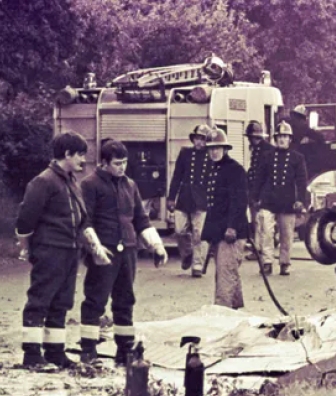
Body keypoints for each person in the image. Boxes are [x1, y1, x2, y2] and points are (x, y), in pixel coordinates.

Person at [16, 131, 106, 369]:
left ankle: (55, 352)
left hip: (70, 250)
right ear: (66, 154)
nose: (83, 161)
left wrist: (92, 246)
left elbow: (83, 218)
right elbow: (25, 220)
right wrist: (27, 249)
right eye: (80, 155)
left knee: (62, 301)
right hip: (50, 250)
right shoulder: (43, 181)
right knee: (40, 300)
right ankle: (32, 355)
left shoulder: (71, 181)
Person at [79, 140, 168, 367]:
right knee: (95, 301)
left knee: (125, 300)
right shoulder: (90, 185)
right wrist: (95, 249)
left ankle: (125, 350)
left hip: (128, 250)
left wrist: (156, 245)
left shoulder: (130, 185)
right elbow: (85, 221)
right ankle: (88, 351)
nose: (122, 167)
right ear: (104, 162)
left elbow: (141, 219)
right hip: (105, 250)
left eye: (125, 162)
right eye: (117, 163)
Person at [201, 128, 249, 308]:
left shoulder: (235, 170)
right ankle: (233, 307)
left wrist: (232, 227)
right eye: (211, 148)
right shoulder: (214, 169)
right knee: (227, 271)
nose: (214, 152)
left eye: (218, 148)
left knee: (225, 273)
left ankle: (223, 311)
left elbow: (239, 201)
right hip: (219, 230)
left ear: (225, 149)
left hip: (231, 231)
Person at [251, 121, 307, 276]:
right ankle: (267, 261)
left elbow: (302, 181)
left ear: (290, 139)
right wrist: (255, 197)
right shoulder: (267, 156)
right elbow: (259, 178)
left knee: (286, 234)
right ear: (275, 139)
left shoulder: (297, 158)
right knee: (266, 231)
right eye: (279, 137)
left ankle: (285, 262)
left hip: (287, 200)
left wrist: (301, 200)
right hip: (268, 199)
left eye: (285, 137)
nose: (282, 139)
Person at [167, 124, 211, 277]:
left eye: (203, 139)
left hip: (202, 200)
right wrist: (171, 197)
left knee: (200, 234)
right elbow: (177, 176)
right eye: (197, 138)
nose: (199, 142)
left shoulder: (211, 156)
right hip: (184, 198)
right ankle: (187, 254)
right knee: (179, 230)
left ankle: (198, 265)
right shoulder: (185, 153)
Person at [244, 120, 274, 261]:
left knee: (262, 222)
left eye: (252, 137)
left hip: (262, 191)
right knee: (256, 220)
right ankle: (257, 248)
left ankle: (261, 249)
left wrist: (261, 194)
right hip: (254, 188)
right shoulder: (256, 150)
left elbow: (267, 174)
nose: (251, 140)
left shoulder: (267, 150)